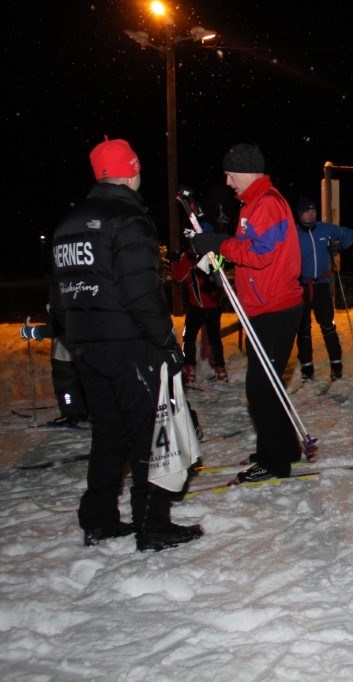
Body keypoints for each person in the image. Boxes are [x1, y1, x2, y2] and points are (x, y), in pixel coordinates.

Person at [47, 137, 202, 551]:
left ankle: (98, 518)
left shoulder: (68, 225)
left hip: (86, 346)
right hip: (129, 343)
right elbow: (140, 293)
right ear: (132, 170)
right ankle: (152, 524)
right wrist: (166, 342)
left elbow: (58, 298)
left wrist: (77, 333)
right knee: (147, 430)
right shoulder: (128, 220)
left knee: (107, 431)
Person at [192, 143, 304, 483]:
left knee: (260, 389)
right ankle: (284, 448)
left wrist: (219, 243)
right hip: (265, 305)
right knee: (268, 385)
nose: (228, 182)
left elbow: (261, 253)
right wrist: (219, 261)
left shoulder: (266, 203)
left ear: (247, 170)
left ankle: (274, 462)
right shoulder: (255, 204)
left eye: (230, 174)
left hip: (276, 308)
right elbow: (250, 256)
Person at [293, 197, 353, 382]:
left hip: (321, 283)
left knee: (327, 324)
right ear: (299, 214)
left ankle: (336, 364)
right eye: (307, 210)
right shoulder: (294, 233)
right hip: (302, 285)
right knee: (303, 327)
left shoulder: (325, 228)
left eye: (313, 210)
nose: (311, 213)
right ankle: (307, 366)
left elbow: (350, 234)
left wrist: (338, 245)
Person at [169, 243, 227, 384]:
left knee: (189, 337)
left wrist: (175, 261)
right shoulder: (218, 250)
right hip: (214, 305)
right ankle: (220, 370)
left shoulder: (192, 253)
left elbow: (179, 276)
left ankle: (189, 368)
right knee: (215, 339)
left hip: (197, 306)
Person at [20, 320, 90, 427]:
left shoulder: (62, 303)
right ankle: (83, 410)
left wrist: (35, 332)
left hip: (65, 351)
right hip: (84, 350)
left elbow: (58, 324)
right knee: (80, 382)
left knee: (65, 386)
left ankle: (71, 413)